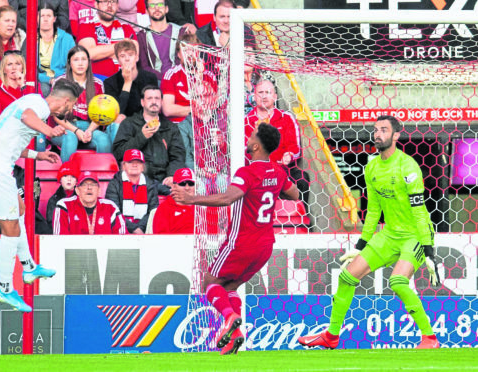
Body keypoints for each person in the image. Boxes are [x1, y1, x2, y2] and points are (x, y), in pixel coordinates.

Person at [298, 115, 441, 350]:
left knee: (397, 281)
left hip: (414, 234)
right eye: (375, 130)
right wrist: (361, 245)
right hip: (389, 234)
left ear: (396, 135)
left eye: (384, 130)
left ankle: (429, 338)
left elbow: (419, 210)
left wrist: (428, 250)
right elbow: (373, 211)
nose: (378, 134)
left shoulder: (408, 167)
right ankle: (332, 336)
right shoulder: (372, 167)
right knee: (346, 277)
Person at [172, 123, 299, 355]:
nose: (248, 138)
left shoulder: (247, 173)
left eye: (251, 136)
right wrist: (273, 186)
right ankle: (236, 334)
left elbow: (227, 199)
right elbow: (295, 194)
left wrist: (191, 199)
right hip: (265, 245)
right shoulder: (278, 172)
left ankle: (230, 318)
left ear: (256, 145)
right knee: (231, 286)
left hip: (241, 242)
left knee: (209, 283)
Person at [0, 78, 81, 313]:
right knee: (11, 229)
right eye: (70, 107)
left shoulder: (29, 102)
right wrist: (50, 131)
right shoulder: (37, 106)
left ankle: (29, 267)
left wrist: (37, 156)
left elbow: (9, 141)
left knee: (20, 210)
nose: (68, 112)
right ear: (65, 101)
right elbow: (26, 117)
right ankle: (5, 288)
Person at [38, 45, 112, 162]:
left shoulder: (97, 84)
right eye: (76, 60)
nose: (80, 63)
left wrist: (89, 131)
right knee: (71, 138)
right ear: (69, 63)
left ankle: (103, 179)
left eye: (83, 59)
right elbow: (56, 115)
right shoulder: (60, 82)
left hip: (88, 127)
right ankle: (67, 176)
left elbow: (100, 115)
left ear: (88, 62)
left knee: (103, 139)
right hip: (64, 127)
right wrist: (76, 131)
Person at [244, 79, 310, 209]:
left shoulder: (286, 118)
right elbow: (245, 150)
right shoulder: (246, 121)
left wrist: (289, 155)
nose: (264, 96)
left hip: (284, 170)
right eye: (260, 92)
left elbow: (295, 147)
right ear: (254, 97)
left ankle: (301, 218)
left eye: (268, 92)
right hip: (256, 172)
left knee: (302, 178)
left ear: (275, 96)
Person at [113, 85, 185, 189]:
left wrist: (171, 175)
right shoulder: (129, 123)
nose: (154, 102)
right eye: (149, 98)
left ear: (161, 102)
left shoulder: (170, 127)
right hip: (137, 179)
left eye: (157, 98)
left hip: (164, 180)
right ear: (142, 102)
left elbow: (178, 156)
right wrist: (142, 137)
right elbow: (119, 153)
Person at [103, 39, 157, 131]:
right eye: (122, 56)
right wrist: (127, 82)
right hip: (123, 124)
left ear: (137, 57)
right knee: (119, 118)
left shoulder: (150, 77)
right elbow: (117, 113)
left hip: (144, 121)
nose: (127, 59)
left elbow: (154, 106)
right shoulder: (109, 82)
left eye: (130, 55)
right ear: (118, 60)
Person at [77, 0, 138, 80]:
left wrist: (101, 51)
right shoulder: (86, 27)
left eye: (113, 1)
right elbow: (90, 54)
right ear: (96, 4)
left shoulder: (127, 28)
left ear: (117, 5)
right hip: (96, 83)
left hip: (124, 81)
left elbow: (133, 57)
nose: (109, 5)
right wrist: (121, 46)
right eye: (105, 1)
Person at [53, 170, 128, 235]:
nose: (89, 188)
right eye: (84, 185)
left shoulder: (110, 207)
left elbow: (122, 240)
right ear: (77, 190)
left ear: (99, 190)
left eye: (93, 184)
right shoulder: (64, 206)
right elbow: (59, 241)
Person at [105, 149, 159, 234]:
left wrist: (140, 228)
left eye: (138, 162)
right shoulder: (114, 184)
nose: (134, 165)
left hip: (144, 231)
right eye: (130, 162)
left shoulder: (150, 184)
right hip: (120, 230)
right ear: (123, 166)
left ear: (143, 167)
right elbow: (113, 211)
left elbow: (153, 211)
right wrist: (134, 229)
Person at [137, 0, 187, 82]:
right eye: (152, 5)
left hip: (178, 79)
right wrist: (165, 78)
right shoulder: (142, 36)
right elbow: (144, 66)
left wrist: (172, 78)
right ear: (146, 11)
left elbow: (183, 61)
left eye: (160, 4)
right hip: (155, 82)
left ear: (166, 9)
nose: (156, 8)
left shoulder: (180, 32)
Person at [37, 2, 75, 97]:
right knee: (44, 89)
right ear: (37, 18)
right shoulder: (30, 39)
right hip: (39, 80)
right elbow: (28, 69)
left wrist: (60, 79)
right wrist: (48, 80)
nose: (45, 19)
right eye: (42, 16)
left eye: (49, 16)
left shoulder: (67, 39)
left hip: (63, 79)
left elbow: (73, 65)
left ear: (54, 19)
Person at [153, 167, 194, 234]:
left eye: (191, 184)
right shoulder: (164, 208)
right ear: (174, 186)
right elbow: (161, 238)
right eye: (182, 184)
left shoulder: (203, 206)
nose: (187, 188)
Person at [0, 51, 27, 115]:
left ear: (23, 68)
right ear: (3, 69)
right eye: (9, 64)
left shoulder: (32, 85)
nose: (14, 68)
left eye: (18, 64)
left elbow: (36, 110)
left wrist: (23, 86)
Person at [45, 160, 78, 227]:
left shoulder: (82, 198)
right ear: (60, 180)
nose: (69, 179)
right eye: (65, 176)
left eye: (73, 176)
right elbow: (51, 223)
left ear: (76, 181)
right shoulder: (53, 200)